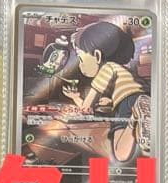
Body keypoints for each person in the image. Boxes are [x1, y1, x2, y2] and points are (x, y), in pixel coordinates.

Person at [63, 21, 151, 161]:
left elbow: (86, 109)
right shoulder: (124, 71)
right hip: (141, 95)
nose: (80, 65)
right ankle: (138, 115)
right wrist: (109, 102)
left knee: (121, 154)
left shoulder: (106, 69)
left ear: (97, 56)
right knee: (133, 146)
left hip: (127, 100)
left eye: (81, 58)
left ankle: (135, 116)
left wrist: (76, 99)